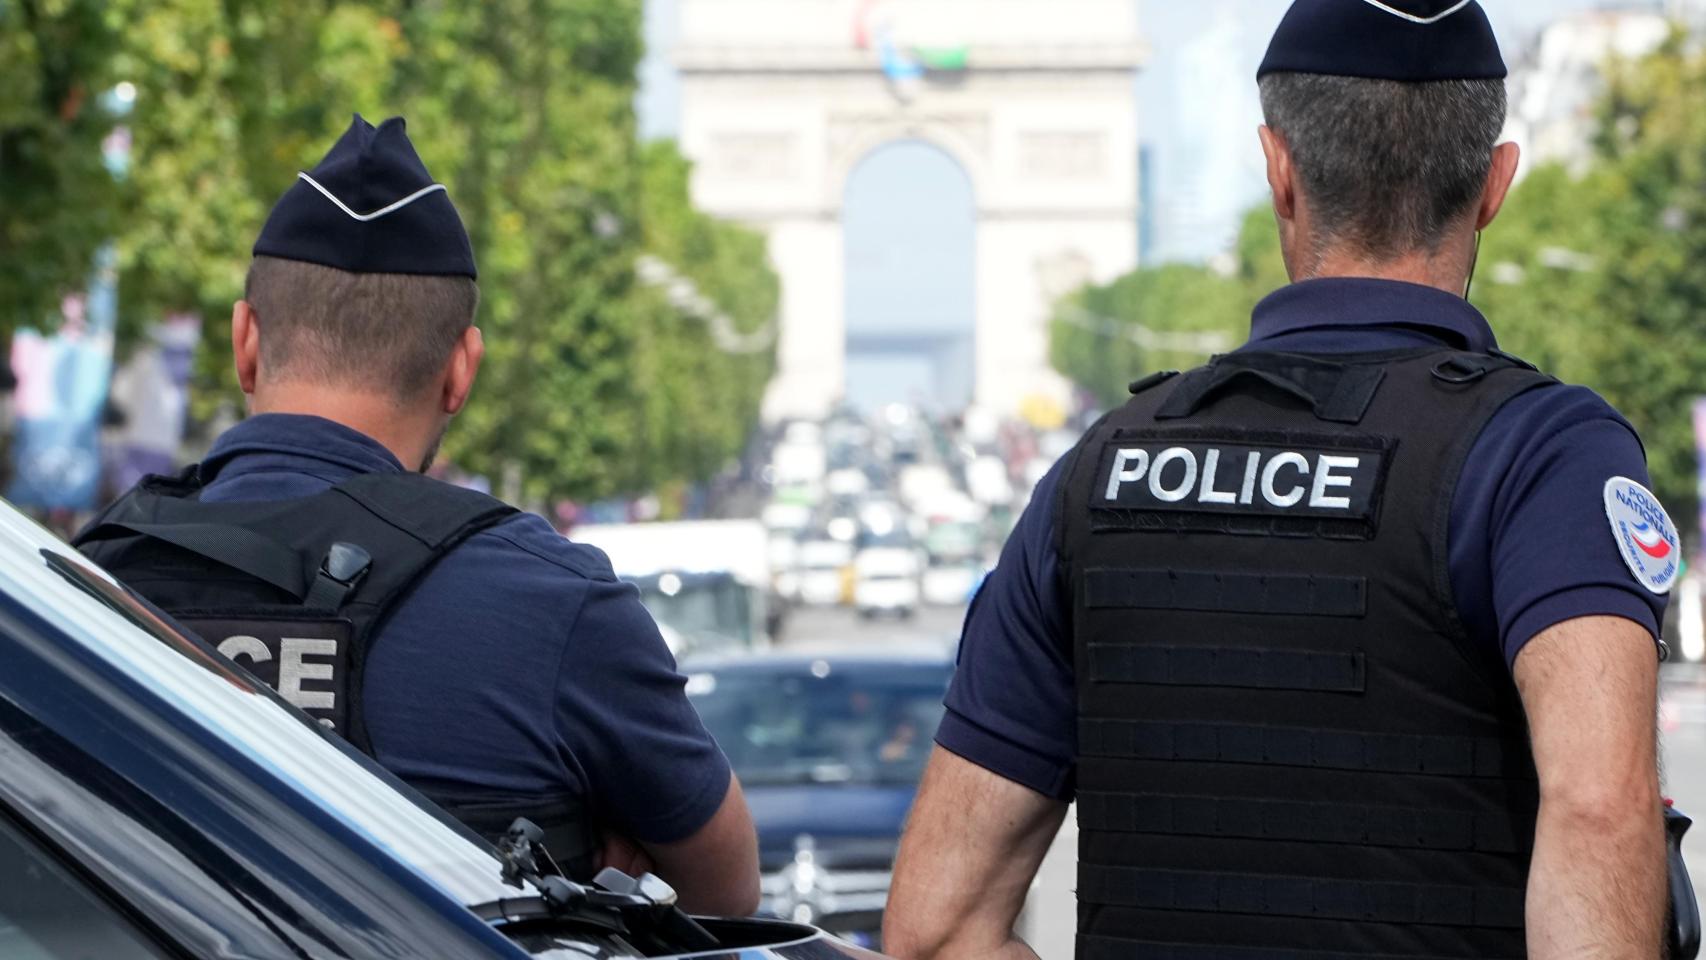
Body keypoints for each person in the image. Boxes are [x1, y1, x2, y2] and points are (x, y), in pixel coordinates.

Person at [884, 2, 1676, 957]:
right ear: (1497, 181)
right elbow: (1597, 811)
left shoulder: (1101, 471)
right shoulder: (1542, 458)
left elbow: (935, 931)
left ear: (1279, 171)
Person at [74, 116, 759, 915]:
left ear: (245, 341)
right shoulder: (556, 605)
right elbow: (728, 895)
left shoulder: (87, 583)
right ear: (461, 370)